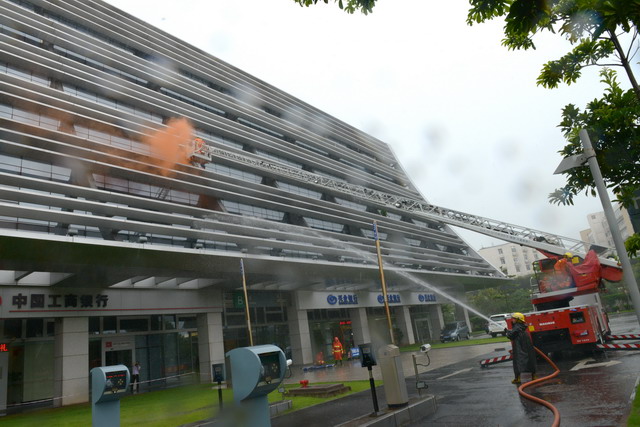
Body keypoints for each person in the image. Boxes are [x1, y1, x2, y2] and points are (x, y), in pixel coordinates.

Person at [505, 313, 536, 384]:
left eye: (514, 318)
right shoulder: (522, 326)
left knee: (518, 360)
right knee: (530, 358)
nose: (512, 320)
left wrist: (507, 332)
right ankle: (533, 376)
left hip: (519, 345)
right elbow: (514, 332)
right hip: (526, 344)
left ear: (518, 320)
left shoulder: (517, 326)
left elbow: (511, 336)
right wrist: (509, 331)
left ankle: (517, 378)